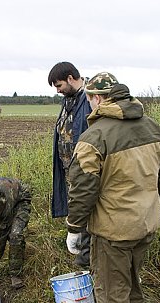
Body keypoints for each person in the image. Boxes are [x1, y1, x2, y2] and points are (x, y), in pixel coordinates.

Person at [65, 72, 160, 303]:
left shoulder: (95, 136)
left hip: (114, 229)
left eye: (89, 98)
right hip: (146, 223)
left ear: (98, 98)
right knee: (133, 281)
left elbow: (83, 188)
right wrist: (150, 204)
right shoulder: (153, 127)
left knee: (113, 289)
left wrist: (74, 226)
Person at [48, 62, 93, 267]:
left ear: (70, 78)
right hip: (69, 172)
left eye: (59, 86)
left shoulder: (91, 98)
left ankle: (86, 260)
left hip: (86, 170)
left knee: (89, 212)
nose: (58, 91)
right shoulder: (68, 101)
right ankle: (84, 254)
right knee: (78, 209)